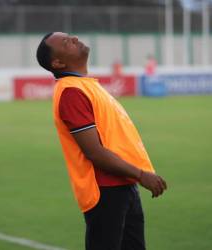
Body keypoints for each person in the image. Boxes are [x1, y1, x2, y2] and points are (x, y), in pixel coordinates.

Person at [36, 32, 167, 250]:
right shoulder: (71, 92)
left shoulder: (85, 85)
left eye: (70, 36)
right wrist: (141, 175)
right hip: (105, 191)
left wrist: (135, 176)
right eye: (67, 42)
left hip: (124, 184)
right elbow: (94, 152)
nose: (75, 38)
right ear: (57, 62)